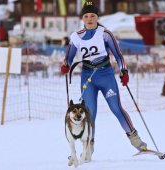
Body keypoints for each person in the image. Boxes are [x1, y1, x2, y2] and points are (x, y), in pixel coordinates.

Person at [60, 2, 147, 157]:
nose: (89, 19)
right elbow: (68, 58)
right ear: (83, 19)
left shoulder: (105, 33)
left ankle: (135, 140)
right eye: (86, 16)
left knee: (116, 108)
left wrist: (124, 71)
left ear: (97, 17)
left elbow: (119, 55)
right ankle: (88, 147)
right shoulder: (76, 36)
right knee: (90, 113)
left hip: (106, 76)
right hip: (88, 78)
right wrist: (66, 65)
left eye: (93, 15)